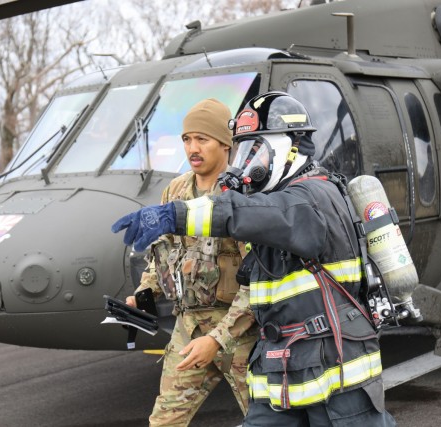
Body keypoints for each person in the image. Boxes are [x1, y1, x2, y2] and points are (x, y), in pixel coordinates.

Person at [112, 92, 397, 426]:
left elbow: (258, 215)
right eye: (246, 149)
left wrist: (175, 214)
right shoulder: (270, 197)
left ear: (291, 147)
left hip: (334, 367)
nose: (248, 162)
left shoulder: (309, 197)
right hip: (284, 359)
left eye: (257, 150)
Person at [122, 98, 258, 426]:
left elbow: (260, 281)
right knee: (165, 420)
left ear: (225, 144)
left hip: (240, 335)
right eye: (187, 139)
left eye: (202, 139)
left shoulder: (243, 196)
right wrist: (145, 293)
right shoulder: (176, 191)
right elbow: (165, 254)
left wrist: (218, 339)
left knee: (267, 421)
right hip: (189, 328)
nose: (192, 148)